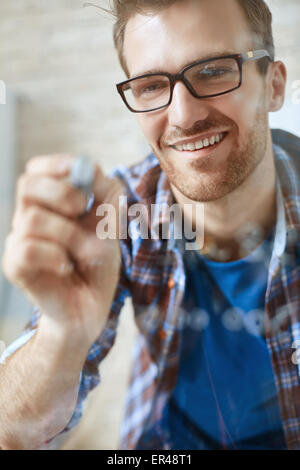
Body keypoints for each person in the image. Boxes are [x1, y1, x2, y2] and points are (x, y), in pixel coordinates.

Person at [0, 0, 299, 450]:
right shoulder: (119, 211)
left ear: (273, 85)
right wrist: (62, 332)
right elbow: (14, 433)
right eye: (151, 86)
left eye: (214, 71)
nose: (182, 116)